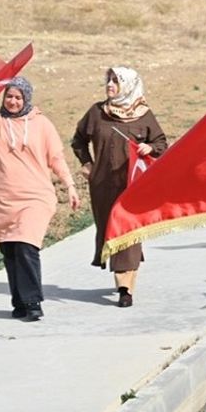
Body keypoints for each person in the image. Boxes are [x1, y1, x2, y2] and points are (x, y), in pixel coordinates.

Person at [0, 77, 79, 321]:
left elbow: (56, 158)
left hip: (35, 197)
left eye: (18, 97)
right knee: (9, 250)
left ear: (27, 99)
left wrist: (70, 185)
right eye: (9, 96)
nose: (13, 101)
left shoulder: (41, 124)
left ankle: (33, 303)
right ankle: (19, 302)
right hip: (3, 199)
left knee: (26, 245)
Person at [71, 67, 167, 308]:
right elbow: (79, 140)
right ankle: (125, 276)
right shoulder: (97, 112)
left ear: (129, 85)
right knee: (109, 230)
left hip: (132, 186)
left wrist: (149, 148)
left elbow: (161, 143)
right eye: (109, 80)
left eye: (116, 81)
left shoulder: (144, 115)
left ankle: (125, 289)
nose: (110, 85)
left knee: (127, 231)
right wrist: (87, 164)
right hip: (102, 185)